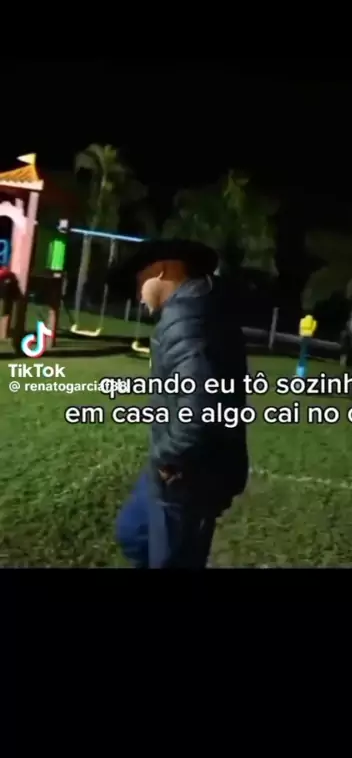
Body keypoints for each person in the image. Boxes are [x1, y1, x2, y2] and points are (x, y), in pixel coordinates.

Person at [112, 239, 249, 568]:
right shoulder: (194, 310)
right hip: (174, 467)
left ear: (163, 270)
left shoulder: (189, 321)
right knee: (134, 533)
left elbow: (201, 410)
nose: (137, 295)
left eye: (139, 281)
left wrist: (168, 458)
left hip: (188, 474)